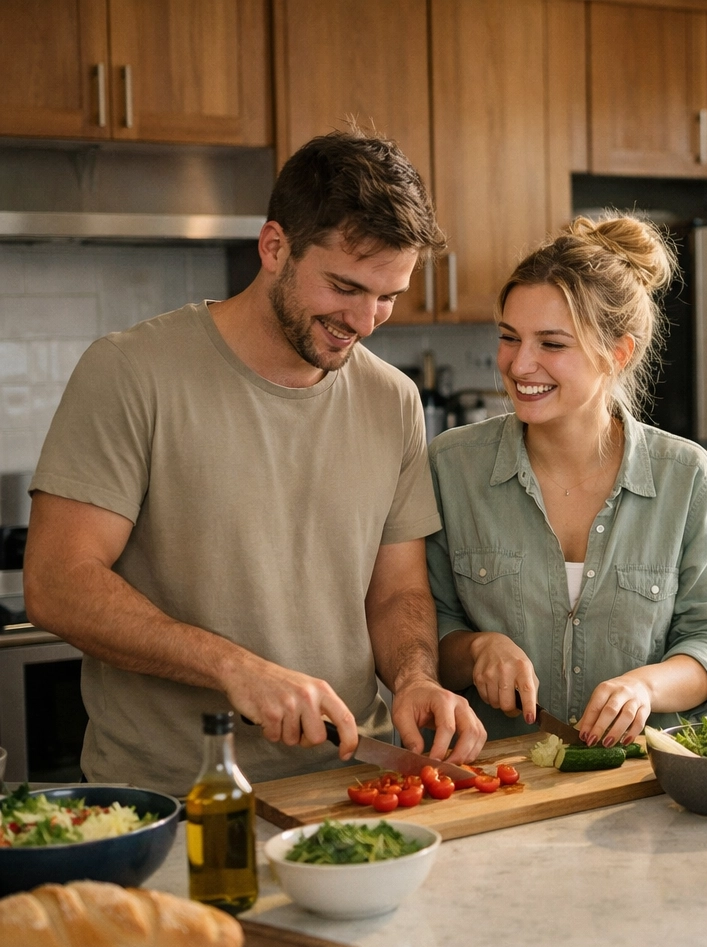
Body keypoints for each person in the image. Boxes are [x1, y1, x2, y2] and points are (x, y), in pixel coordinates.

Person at [24, 128, 487, 793]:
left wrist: (415, 679)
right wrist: (234, 668)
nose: (365, 319)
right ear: (275, 247)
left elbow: (397, 592)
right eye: (345, 287)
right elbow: (57, 582)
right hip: (177, 799)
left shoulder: (393, 400)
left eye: (388, 295)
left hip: (351, 785)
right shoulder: (131, 372)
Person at [427, 214, 707, 746]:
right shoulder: (451, 467)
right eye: (510, 337)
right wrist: (478, 648)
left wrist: (645, 687)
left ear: (617, 353)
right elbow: (424, 634)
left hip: (647, 785)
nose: (519, 364)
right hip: (498, 782)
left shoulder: (688, 478)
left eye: (552, 344)